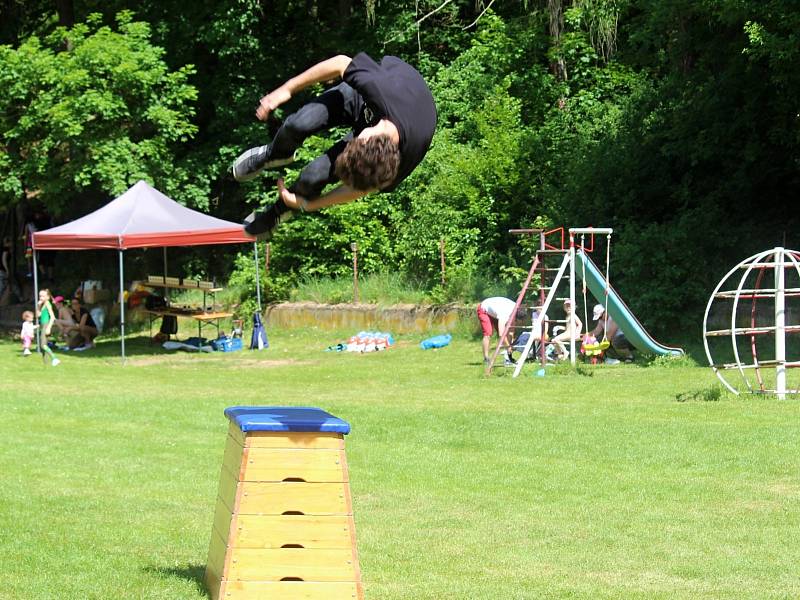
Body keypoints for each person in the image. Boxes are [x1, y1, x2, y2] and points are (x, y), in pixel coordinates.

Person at [233, 52, 437, 240]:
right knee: (299, 123)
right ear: (362, 137)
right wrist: (286, 90)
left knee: (313, 176)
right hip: (367, 98)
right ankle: (273, 154)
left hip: (403, 117)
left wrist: (309, 204)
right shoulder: (379, 87)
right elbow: (340, 62)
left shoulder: (400, 160)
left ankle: (279, 211)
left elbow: (361, 188)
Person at [477, 296, 519, 367]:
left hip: (495, 311)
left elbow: (511, 332)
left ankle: (508, 358)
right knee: (488, 333)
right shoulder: (504, 314)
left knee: (508, 332)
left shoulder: (516, 309)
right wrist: (508, 346)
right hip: (484, 309)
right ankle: (486, 358)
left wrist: (509, 349)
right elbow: (501, 334)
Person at [36, 288, 61, 366]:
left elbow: (53, 317)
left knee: (43, 345)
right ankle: (45, 364)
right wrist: (39, 306)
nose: (41, 298)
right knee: (43, 345)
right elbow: (38, 315)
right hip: (42, 325)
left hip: (46, 325)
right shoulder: (42, 304)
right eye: (40, 296)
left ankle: (54, 358)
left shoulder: (47, 303)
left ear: (48, 297)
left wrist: (49, 328)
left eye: (43, 296)